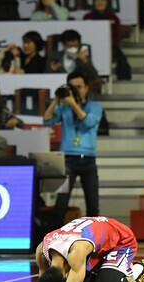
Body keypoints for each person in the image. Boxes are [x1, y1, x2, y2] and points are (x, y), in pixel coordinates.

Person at [6, 216, 144, 282]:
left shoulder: (76, 253)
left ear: (65, 274)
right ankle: (104, 271)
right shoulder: (41, 250)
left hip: (120, 241)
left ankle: (138, 269)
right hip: (93, 241)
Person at [44, 70, 103, 220]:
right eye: (72, 87)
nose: (76, 90)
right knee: (61, 203)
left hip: (88, 159)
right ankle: (55, 233)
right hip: (68, 159)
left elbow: (88, 122)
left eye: (79, 87)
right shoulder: (64, 107)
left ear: (86, 88)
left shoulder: (95, 106)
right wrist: (56, 99)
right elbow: (47, 120)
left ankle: (93, 234)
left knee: (92, 204)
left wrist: (73, 104)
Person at [83, 0, 129, 80]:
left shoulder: (114, 18)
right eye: (97, 0)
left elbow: (116, 38)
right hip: (90, 47)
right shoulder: (87, 17)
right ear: (93, 2)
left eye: (102, 0)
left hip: (110, 47)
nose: (100, 2)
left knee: (122, 59)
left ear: (107, 2)